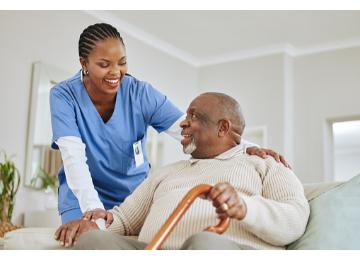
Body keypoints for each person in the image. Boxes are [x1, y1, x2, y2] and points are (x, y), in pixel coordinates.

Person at [50, 23, 290, 225]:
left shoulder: (140, 94)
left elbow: (188, 129)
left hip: (131, 197)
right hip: (82, 196)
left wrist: (246, 146)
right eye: (104, 64)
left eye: (122, 62)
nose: (116, 72)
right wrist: (93, 208)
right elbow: (73, 157)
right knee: (87, 243)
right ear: (84, 63)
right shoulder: (63, 96)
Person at [54, 92, 309, 250]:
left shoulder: (265, 164)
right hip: (154, 250)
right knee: (93, 242)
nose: (183, 123)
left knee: (205, 242)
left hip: (224, 249)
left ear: (222, 128)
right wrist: (92, 226)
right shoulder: (167, 173)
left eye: (194, 116)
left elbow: (295, 219)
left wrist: (245, 208)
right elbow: (123, 219)